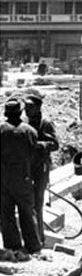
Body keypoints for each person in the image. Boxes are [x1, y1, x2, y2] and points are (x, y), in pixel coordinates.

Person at [0, 97, 42, 254]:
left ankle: (12, 246)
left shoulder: (1, 130)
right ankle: (33, 246)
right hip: (23, 177)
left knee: (6, 213)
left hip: (4, 179)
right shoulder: (30, 131)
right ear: (20, 112)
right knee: (27, 212)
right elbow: (34, 153)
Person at [23, 89, 59, 244]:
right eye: (25, 107)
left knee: (37, 203)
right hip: (27, 167)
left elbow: (55, 144)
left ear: (38, 107)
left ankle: (39, 238)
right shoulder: (25, 124)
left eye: (29, 107)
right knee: (27, 203)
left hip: (40, 167)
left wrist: (38, 145)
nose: (26, 109)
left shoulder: (45, 124)